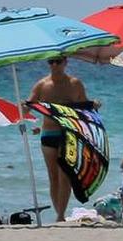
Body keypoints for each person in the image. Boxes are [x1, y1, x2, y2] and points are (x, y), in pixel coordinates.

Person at [27, 56, 89, 222]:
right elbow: (30, 105)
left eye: (58, 61)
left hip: (68, 134)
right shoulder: (42, 85)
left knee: (66, 175)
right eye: (51, 61)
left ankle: (60, 215)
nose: (54, 65)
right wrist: (23, 111)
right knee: (53, 176)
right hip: (48, 133)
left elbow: (84, 108)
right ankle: (59, 212)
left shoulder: (74, 84)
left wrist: (93, 106)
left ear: (65, 63)